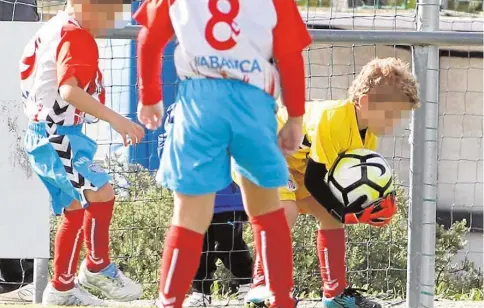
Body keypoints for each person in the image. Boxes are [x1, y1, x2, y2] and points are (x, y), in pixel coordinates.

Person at [134, 0, 312, 307]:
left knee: (189, 215)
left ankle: (170, 301)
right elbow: (290, 57)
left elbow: (149, 39)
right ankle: (281, 298)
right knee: (268, 209)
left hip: (200, 102)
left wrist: (150, 96)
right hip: (253, 103)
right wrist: (295, 118)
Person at [242, 57, 420, 308]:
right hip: (264, 149)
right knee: (286, 210)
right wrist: (348, 213)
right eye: (390, 114)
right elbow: (316, 180)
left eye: (399, 116)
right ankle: (262, 286)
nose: (394, 123)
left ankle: (334, 295)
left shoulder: (367, 137)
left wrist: (372, 206)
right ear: (366, 103)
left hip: (295, 166)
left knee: (330, 218)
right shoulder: (334, 118)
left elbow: (336, 183)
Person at [19, 0, 145, 305]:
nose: (116, 20)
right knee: (102, 193)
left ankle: (61, 288)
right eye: (112, 10)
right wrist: (116, 119)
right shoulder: (77, 36)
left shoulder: (51, 27)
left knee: (75, 209)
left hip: (41, 133)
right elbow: (69, 91)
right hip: (58, 137)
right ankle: (97, 266)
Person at [158, 105, 253, 307]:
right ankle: (200, 292)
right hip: (195, 196)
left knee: (228, 242)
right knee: (199, 246)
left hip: (230, 198)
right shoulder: (178, 110)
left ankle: (246, 283)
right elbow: (167, 146)